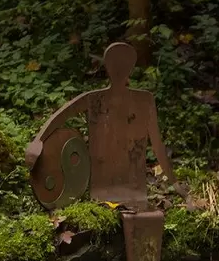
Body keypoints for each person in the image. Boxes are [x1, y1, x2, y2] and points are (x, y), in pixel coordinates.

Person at [25, 41, 179, 210]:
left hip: (134, 191)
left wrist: (175, 184)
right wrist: (37, 141)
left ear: (131, 68)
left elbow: (157, 144)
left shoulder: (144, 100)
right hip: (101, 194)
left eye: (124, 64)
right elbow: (61, 116)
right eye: (114, 64)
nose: (119, 70)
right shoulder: (95, 99)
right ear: (107, 66)